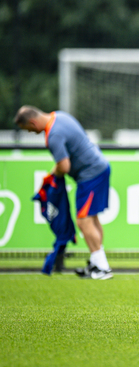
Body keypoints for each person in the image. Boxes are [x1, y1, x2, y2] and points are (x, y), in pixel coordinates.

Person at [15, 106, 112, 280]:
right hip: (100, 167)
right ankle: (97, 263)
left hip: (90, 175)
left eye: (29, 129)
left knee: (83, 221)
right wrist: (52, 174)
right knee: (92, 218)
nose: (31, 132)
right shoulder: (61, 116)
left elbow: (64, 166)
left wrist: (53, 178)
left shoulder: (53, 135)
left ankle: (102, 268)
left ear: (32, 122)